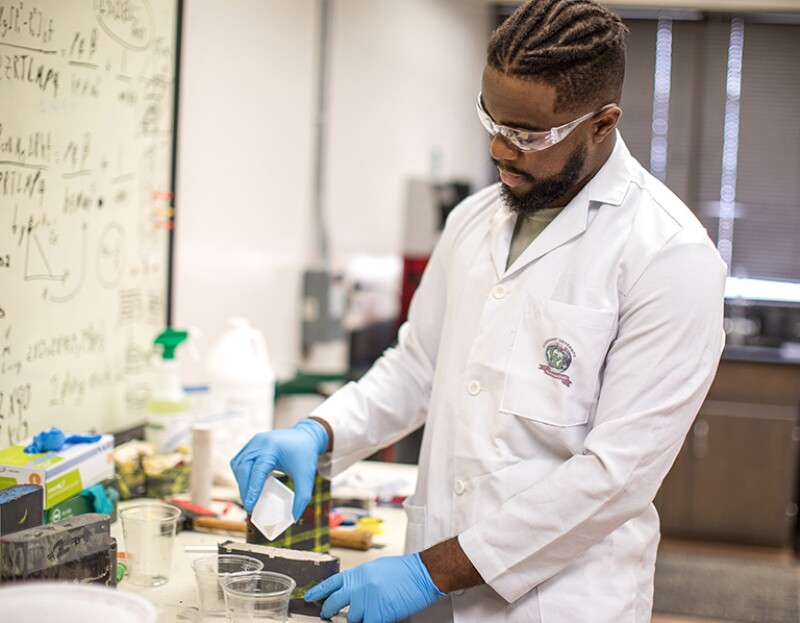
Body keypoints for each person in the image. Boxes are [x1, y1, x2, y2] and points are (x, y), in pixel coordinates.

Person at [231, 1, 727, 621]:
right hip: (434, 585)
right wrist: (319, 432)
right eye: (490, 120)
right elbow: (418, 367)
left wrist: (428, 573)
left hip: (559, 601)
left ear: (602, 123)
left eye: (527, 135)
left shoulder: (669, 256)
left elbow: (615, 478)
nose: (500, 148)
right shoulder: (472, 221)